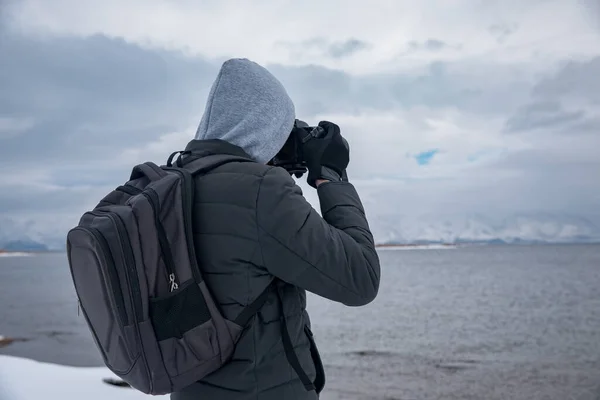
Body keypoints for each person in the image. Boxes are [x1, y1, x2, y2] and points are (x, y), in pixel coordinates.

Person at [171, 58, 381, 400]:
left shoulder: (177, 184)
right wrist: (332, 178)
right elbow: (361, 279)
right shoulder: (259, 191)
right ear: (266, 126)